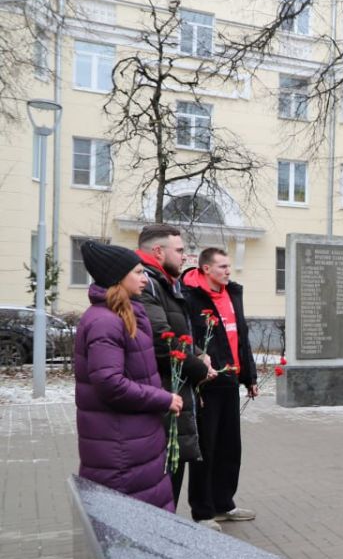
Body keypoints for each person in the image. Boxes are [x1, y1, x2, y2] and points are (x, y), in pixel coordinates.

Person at [74, 242, 182, 510]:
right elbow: (110, 384)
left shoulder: (124, 314)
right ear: (117, 278)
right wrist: (163, 399)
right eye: (137, 272)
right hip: (120, 448)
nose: (144, 278)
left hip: (133, 442)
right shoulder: (105, 321)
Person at [136, 224, 217, 508]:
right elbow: (162, 339)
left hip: (174, 393)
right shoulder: (146, 284)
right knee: (161, 487)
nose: (185, 256)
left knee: (171, 481)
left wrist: (197, 352)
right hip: (161, 396)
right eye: (180, 250)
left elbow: (176, 332)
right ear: (158, 251)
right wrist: (199, 367)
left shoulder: (165, 281)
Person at [183, 248, 258, 526]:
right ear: (205, 269)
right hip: (207, 383)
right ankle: (202, 511)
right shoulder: (191, 296)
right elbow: (187, 338)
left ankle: (224, 503)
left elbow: (241, 338)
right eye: (222, 266)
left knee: (229, 448)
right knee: (206, 448)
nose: (228, 271)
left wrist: (249, 376)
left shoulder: (232, 294)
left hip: (230, 382)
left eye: (229, 266)